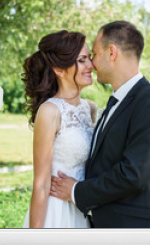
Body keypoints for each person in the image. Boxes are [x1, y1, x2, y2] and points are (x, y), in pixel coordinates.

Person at [50, 21, 150, 228]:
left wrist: (76, 191)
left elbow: (133, 174)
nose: (91, 63)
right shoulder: (117, 101)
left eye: (94, 54)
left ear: (112, 53)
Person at [21, 30, 98, 228]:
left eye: (89, 58)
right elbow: (41, 184)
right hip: (56, 213)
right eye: (82, 60)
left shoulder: (90, 108)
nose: (91, 65)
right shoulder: (50, 111)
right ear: (59, 69)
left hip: (81, 209)